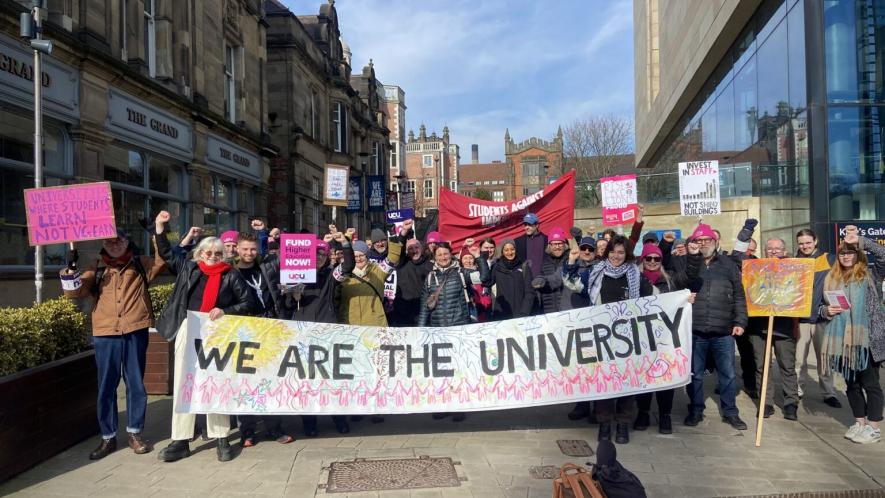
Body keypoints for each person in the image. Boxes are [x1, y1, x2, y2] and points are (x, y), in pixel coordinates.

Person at [152, 211, 257, 462]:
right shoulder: (188, 269)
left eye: (217, 254)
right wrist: (159, 226)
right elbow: (167, 253)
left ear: (224, 255)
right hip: (189, 330)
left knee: (216, 382)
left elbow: (248, 302)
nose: (212, 257)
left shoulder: (230, 275)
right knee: (183, 381)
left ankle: (221, 437)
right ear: (199, 254)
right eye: (208, 253)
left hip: (217, 333)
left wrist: (225, 310)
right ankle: (180, 439)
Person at [59, 229, 165, 460]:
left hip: (134, 328)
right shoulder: (95, 266)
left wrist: (156, 233)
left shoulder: (140, 263)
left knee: (136, 383)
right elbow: (75, 293)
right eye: (109, 240)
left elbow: (163, 260)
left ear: (128, 241)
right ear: (103, 243)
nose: (115, 244)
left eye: (120, 240)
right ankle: (108, 436)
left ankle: (135, 433)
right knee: (107, 385)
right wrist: (70, 271)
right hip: (105, 331)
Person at [563, 235, 653, 444]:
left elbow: (654, 296)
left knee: (626, 383)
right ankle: (604, 424)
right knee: (604, 382)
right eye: (613, 252)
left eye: (621, 252)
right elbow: (573, 285)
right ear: (607, 252)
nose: (616, 256)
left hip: (628, 338)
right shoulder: (596, 272)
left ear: (626, 254)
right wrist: (570, 262)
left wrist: (683, 299)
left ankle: (622, 424)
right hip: (602, 339)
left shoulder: (635, 275)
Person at [819, 226, 885, 444]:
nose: (846, 256)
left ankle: (874, 428)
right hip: (840, 341)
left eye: (850, 252)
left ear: (858, 254)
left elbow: (883, 254)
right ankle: (860, 422)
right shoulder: (831, 278)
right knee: (851, 385)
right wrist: (825, 311)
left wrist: (861, 240)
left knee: (871, 384)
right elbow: (820, 306)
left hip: (865, 339)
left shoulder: (871, 274)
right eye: (843, 253)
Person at [681, 224, 749, 431]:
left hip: (723, 331)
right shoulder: (688, 264)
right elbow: (678, 284)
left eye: (707, 240)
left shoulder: (728, 265)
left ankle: (730, 412)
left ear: (716, 242)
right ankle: (695, 409)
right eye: (699, 241)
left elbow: (739, 295)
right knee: (695, 374)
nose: (703, 244)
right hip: (695, 329)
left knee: (727, 373)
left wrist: (740, 322)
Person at [232, 232, 295, 447]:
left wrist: (265, 232)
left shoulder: (266, 267)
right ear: (237, 250)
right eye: (245, 249)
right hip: (246, 331)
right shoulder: (231, 273)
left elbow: (291, 251)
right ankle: (247, 431)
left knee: (271, 380)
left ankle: (274, 427)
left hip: (271, 327)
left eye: (252, 249)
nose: (249, 253)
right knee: (247, 382)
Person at [633, 242, 701, 434]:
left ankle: (665, 415)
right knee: (644, 377)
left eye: (657, 259)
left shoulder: (670, 280)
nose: (653, 262)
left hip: (666, 338)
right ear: (642, 260)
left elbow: (689, 276)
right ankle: (643, 412)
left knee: (665, 377)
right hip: (643, 338)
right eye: (649, 258)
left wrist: (694, 256)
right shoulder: (635, 281)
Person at [419, 242, 491, 421]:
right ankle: (443, 405)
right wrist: (420, 332)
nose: (443, 257)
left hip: (458, 329)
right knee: (441, 370)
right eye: (439, 255)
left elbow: (484, 278)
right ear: (434, 257)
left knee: (458, 370)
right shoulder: (429, 278)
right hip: (438, 331)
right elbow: (424, 308)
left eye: (446, 254)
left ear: (451, 255)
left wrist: (479, 257)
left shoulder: (461, 273)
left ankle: (459, 405)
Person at [289, 234, 353, 437]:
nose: (318, 257)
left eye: (321, 254)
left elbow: (349, 265)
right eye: (313, 253)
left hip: (328, 333)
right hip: (302, 334)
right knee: (306, 381)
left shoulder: (330, 276)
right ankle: (309, 423)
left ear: (327, 257)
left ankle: (339, 419)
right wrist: (294, 297)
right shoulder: (293, 276)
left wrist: (345, 243)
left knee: (331, 379)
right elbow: (284, 305)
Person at [747, 238, 800, 421]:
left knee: (787, 366)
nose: (774, 251)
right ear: (765, 250)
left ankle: (791, 403)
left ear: (784, 250)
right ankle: (766, 403)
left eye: (778, 248)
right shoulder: (756, 267)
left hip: (784, 327)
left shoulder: (794, 269)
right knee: (762, 366)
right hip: (758, 327)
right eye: (770, 248)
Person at [795, 228, 841, 408]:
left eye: (808, 242)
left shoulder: (829, 259)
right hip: (801, 319)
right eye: (801, 243)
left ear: (816, 241)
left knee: (824, 359)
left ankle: (828, 392)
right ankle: (797, 390)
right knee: (799, 359)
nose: (805, 246)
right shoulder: (795, 261)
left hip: (823, 317)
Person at [390, 236, 433, 326]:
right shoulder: (402, 262)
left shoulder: (430, 265)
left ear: (421, 249)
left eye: (416, 247)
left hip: (423, 312)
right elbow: (398, 248)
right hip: (403, 313)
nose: (414, 250)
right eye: (410, 248)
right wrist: (404, 233)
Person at [488, 238, 535, 320]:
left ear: (515, 250)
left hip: (521, 314)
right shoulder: (496, 267)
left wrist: (524, 313)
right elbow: (487, 283)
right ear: (502, 252)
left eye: (512, 249)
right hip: (502, 315)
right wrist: (480, 259)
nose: (510, 253)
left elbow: (529, 293)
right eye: (506, 250)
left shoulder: (524, 267)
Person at [534, 227, 570, 314]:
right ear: (549, 246)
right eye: (554, 244)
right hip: (549, 311)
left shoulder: (571, 260)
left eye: (559, 243)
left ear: (564, 244)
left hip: (568, 310)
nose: (557, 247)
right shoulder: (544, 263)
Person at [459, 243, 493, 322]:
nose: (468, 261)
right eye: (465, 258)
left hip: (482, 313)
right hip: (465, 313)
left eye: (470, 258)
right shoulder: (458, 274)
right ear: (461, 261)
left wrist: (481, 303)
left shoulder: (479, 273)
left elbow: (486, 291)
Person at [514, 213, 548, 280]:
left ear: (537, 225)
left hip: (543, 281)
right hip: (525, 282)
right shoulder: (518, 242)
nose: (526, 227)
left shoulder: (547, 240)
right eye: (525, 225)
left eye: (530, 225)